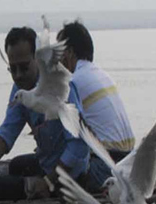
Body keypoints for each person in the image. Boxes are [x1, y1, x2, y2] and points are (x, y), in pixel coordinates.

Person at [0, 26, 90, 200]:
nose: (18, 75)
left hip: (72, 175)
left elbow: (78, 146)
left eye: (24, 67)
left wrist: (48, 182)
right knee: (16, 166)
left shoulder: (59, 88)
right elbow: (7, 131)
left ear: (37, 59)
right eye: (13, 69)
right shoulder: (20, 90)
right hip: (48, 163)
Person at [57, 20, 135, 191]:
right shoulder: (101, 74)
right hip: (130, 163)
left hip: (107, 167)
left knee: (49, 170)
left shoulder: (74, 82)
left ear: (69, 53)